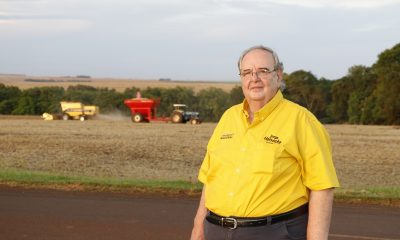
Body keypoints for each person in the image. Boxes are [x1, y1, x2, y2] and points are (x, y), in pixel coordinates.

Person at [190, 45, 340, 240]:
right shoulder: (229, 117)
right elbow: (211, 180)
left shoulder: (301, 121)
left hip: (273, 232)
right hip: (215, 230)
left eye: (263, 71)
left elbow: (322, 187)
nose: (254, 79)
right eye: (247, 72)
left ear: (278, 74)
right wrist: (197, 231)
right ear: (241, 78)